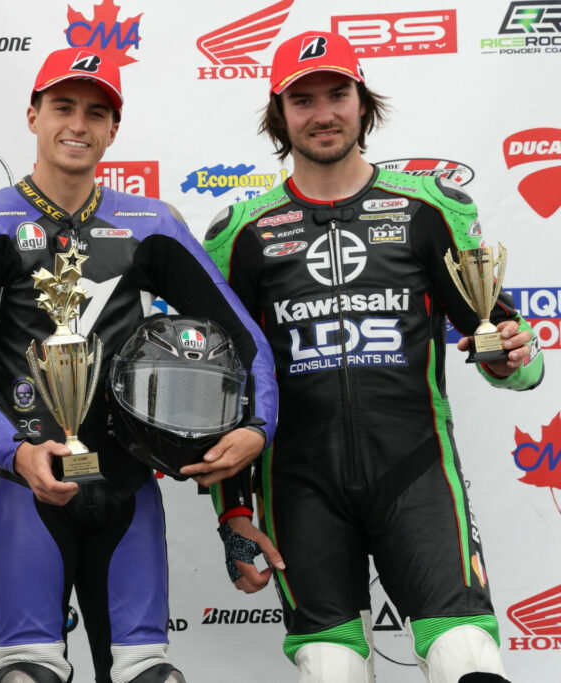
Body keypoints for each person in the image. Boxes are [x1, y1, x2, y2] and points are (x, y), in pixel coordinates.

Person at [0, 47, 278, 683]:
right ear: (33, 115)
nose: (78, 125)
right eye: (63, 107)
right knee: (26, 675)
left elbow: (244, 340)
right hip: (24, 484)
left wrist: (258, 426)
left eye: (97, 112)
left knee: (150, 676)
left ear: (114, 129)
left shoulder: (151, 222)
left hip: (127, 482)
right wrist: (14, 451)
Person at [202, 30, 544, 683]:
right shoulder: (238, 234)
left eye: (338, 93)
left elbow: (509, 349)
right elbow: (227, 392)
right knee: (330, 668)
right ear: (279, 112)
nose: (323, 112)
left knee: (466, 655)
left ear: (363, 101)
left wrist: (512, 356)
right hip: (298, 485)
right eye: (303, 99)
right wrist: (235, 515)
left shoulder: (428, 208)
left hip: (417, 474)